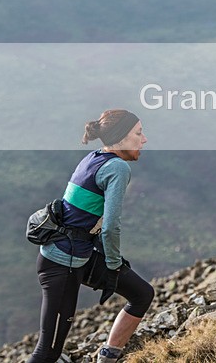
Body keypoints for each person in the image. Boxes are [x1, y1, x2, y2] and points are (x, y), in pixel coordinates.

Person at [28, 110, 153, 363]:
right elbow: (110, 226)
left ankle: (108, 356)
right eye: (138, 133)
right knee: (48, 351)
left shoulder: (94, 157)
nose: (144, 139)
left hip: (77, 254)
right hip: (63, 263)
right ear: (121, 137)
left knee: (142, 293)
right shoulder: (117, 167)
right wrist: (114, 265)